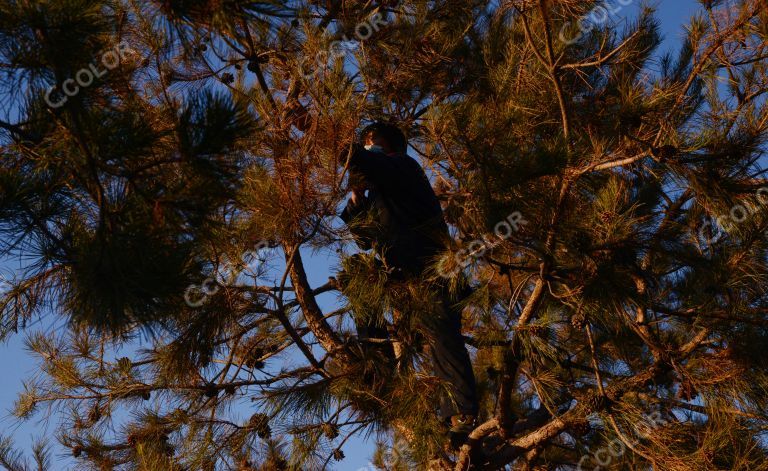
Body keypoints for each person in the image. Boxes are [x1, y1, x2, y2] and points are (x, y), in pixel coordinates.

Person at [339, 122, 478, 445]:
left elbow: (360, 160)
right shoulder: (378, 195)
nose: (368, 149)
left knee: (441, 334)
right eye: (366, 145)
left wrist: (316, 128)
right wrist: (357, 196)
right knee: (361, 277)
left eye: (372, 143)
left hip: (432, 269)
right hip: (400, 276)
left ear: (390, 148)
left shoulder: (404, 167)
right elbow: (362, 240)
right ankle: (379, 374)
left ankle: (461, 414)